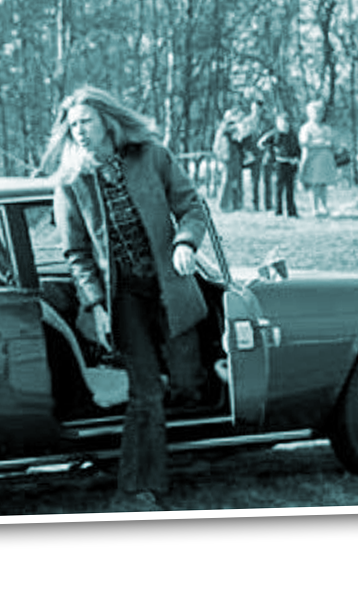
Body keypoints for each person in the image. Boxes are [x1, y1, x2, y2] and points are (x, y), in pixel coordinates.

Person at [44, 86, 209, 512]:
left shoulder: (152, 156)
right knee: (146, 391)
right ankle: (137, 490)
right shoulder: (71, 183)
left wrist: (186, 243)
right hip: (123, 300)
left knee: (189, 384)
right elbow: (76, 254)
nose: (79, 131)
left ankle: (177, 451)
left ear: (107, 121)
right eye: (72, 125)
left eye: (86, 121)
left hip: (171, 286)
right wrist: (97, 305)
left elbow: (191, 207)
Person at [297, 101, 338, 217]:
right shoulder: (306, 128)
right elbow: (304, 143)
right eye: (315, 112)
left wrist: (324, 143)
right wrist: (321, 143)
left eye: (320, 112)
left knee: (323, 185)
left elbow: (331, 142)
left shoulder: (326, 128)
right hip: (312, 159)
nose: (318, 115)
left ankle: (324, 207)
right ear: (309, 113)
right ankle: (314, 208)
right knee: (314, 185)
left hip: (325, 160)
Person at [262, 113, 301, 218]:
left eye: (286, 122)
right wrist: (273, 154)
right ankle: (278, 210)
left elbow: (298, 149)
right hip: (279, 164)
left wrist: (296, 158)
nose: (284, 124)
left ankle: (291, 211)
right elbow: (263, 143)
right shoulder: (274, 134)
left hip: (290, 164)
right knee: (278, 188)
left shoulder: (293, 135)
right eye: (281, 122)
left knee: (290, 188)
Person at [213, 109, 244, 212]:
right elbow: (217, 145)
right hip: (227, 158)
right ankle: (222, 205)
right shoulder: (224, 128)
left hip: (234, 156)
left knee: (234, 181)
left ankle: (234, 204)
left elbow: (239, 138)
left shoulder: (232, 129)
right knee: (226, 180)